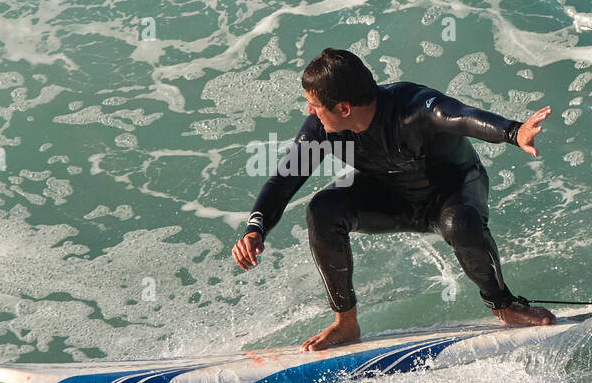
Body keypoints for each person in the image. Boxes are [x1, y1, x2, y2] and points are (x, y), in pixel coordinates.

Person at [231, 48, 555, 351]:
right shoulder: (322, 129)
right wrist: (255, 228)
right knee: (323, 209)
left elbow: (462, 116)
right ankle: (346, 323)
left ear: (343, 108)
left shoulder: (411, 107)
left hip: (451, 193)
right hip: (389, 196)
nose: (309, 112)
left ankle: (504, 305)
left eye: (314, 105)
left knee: (460, 223)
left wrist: (514, 132)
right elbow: (285, 179)